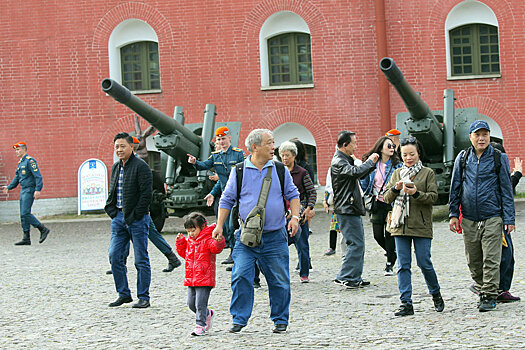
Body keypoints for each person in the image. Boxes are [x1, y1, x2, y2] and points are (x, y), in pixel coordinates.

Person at [213, 128, 300, 334]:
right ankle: (239, 318)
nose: (273, 147)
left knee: (279, 280)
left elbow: (293, 194)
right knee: (240, 275)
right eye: (269, 143)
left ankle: (280, 319)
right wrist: (218, 225)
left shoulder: (280, 169)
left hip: (275, 236)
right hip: (246, 237)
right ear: (255, 147)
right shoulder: (239, 171)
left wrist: (295, 217)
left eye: (273, 142)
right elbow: (227, 200)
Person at [449, 120, 515, 312]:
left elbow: (506, 189)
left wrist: (509, 218)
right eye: (477, 135)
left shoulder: (498, 157)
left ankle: (489, 294)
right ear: (470, 137)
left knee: (491, 258)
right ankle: (481, 286)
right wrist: (453, 214)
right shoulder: (462, 158)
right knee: (474, 259)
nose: (481, 138)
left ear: (489, 137)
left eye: (485, 134)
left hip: (493, 216)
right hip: (469, 217)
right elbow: (455, 188)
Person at [383, 137, 444, 316]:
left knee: (424, 262)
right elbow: (386, 198)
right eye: (404, 154)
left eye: (412, 154)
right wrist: (395, 189)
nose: (408, 158)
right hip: (399, 225)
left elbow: (433, 197)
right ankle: (406, 303)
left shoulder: (427, 173)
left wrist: (416, 193)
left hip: (421, 225)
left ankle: (436, 294)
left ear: (418, 153)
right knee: (403, 265)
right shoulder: (396, 173)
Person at [105, 136, 181, 275]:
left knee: (146, 235)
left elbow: (147, 192)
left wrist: (142, 210)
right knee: (150, 234)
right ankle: (172, 258)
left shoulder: (139, 166)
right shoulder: (123, 166)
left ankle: (121, 262)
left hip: (140, 210)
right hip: (134, 210)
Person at [105, 132, 153, 309]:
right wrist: (111, 211)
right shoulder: (117, 167)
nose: (119, 149)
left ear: (131, 147)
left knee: (141, 259)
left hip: (137, 220)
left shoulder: (141, 166)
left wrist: (136, 215)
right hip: (118, 218)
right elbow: (113, 191)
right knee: (114, 255)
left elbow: (146, 195)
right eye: (116, 146)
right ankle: (123, 294)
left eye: (122, 146)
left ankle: (143, 296)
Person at [187, 126, 246, 267]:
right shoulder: (215, 156)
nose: (222, 141)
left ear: (229, 138)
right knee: (225, 225)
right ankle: (233, 253)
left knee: (234, 225)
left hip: (240, 194)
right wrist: (195, 163)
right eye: (219, 139)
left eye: (224, 138)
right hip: (227, 195)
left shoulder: (238, 154)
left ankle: (236, 253)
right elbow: (204, 165)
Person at [331, 130, 379, 289]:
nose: (356, 146)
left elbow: (358, 174)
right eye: (354, 143)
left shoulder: (344, 159)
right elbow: (355, 173)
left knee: (357, 243)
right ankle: (346, 276)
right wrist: (370, 162)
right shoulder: (339, 161)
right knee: (356, 244)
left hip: (349, 207)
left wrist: (369, 166)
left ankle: (353, 276)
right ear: (345, 145)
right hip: (347, 208)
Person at [176, 212, 226, 336]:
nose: (191, 234)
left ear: (202, 227)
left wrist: (219, 240)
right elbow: (185, 255)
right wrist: (181, 243)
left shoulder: (208, 239)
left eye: (193, 230)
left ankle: (201, 325)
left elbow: (216, 248)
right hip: (191, 278)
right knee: (191, 304)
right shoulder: (190, 241)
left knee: (200, 304)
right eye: (188, 232)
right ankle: (208, 314)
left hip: (204, 278)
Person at [361, 136, 401, 276]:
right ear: (380, 148)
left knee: (389, 234)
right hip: (377, 203)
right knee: (377, 235)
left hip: (392, 203)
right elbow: (364, 181)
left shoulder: (397, 164)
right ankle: (393, 254)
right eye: (388, 146)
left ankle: (389, 263)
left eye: (393, 146)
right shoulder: (373, 164)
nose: (392, 148)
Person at [279, 141, 317, 283]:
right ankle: (282, 274)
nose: (285, 159)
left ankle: (304, 273)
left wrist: (309, 208)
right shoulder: (279, 172)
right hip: (282, 214)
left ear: (293, 156)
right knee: (281, 245)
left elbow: (312, 192)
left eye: (287, 155)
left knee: (302, 244)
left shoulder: (301, 172)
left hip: (300, 213)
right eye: (282, 156)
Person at [3, 142, 50, 245]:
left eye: (18, 150)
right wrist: (9, 187)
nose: (16, 152)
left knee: (25, 213)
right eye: (15, 150)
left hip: (29, 190)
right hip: (23, 190)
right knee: (23, 215)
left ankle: (42, 229)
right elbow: (17, 178)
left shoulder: (30, 161)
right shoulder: (21, 163)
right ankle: (26, 238)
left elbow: (38, 176)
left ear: (24, 149)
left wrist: (38, 189)